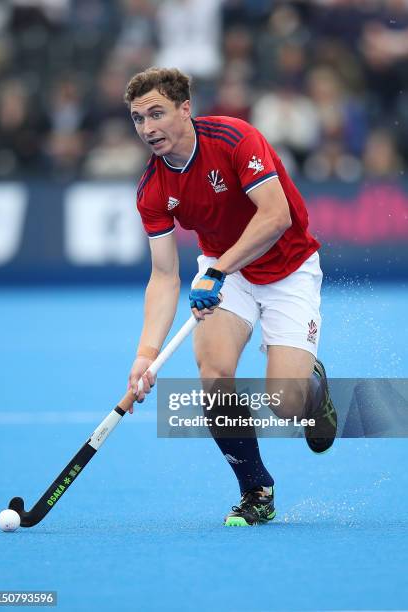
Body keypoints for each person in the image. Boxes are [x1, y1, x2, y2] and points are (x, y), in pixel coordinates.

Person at [125, 67, 337, 527]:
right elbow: (163, 277)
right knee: (214, 373)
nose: (148, 129)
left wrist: (218, 268)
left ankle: (314, 389)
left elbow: (276, 215)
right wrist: (146, 354)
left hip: (289, 269)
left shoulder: (235, 138)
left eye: (157, 114)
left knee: (285, 403)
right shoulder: (153, 189)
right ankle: (256, 490)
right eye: (139, 120)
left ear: (186, 109)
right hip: (227, 272)